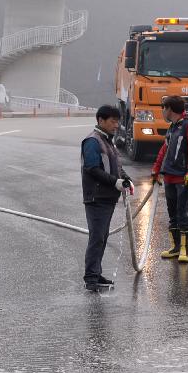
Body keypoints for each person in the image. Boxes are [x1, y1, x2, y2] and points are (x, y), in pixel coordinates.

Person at [81, 105, 134, 292]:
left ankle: (96, 273)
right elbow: (92, 168)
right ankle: (91, 278)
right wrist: (115, 182)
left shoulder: (108, 141)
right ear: (101, 120)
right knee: (97, 238)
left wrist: (126, 180)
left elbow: (116, 166)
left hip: (107, 197)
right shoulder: (92, 142)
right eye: (113, 121)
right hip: (96, 198)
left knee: (102, 237)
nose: (116, 125)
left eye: (117, 121)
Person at [152, 95, 188, 263]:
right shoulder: (172, 127)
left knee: (182, 212)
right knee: (172, 212)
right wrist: (156, 169)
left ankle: (184, 250)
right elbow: (164, 150)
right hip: (169, 176)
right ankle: (174, 248)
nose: (162, 112)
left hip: (184, 176)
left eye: (163, 108)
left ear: (170, 109)